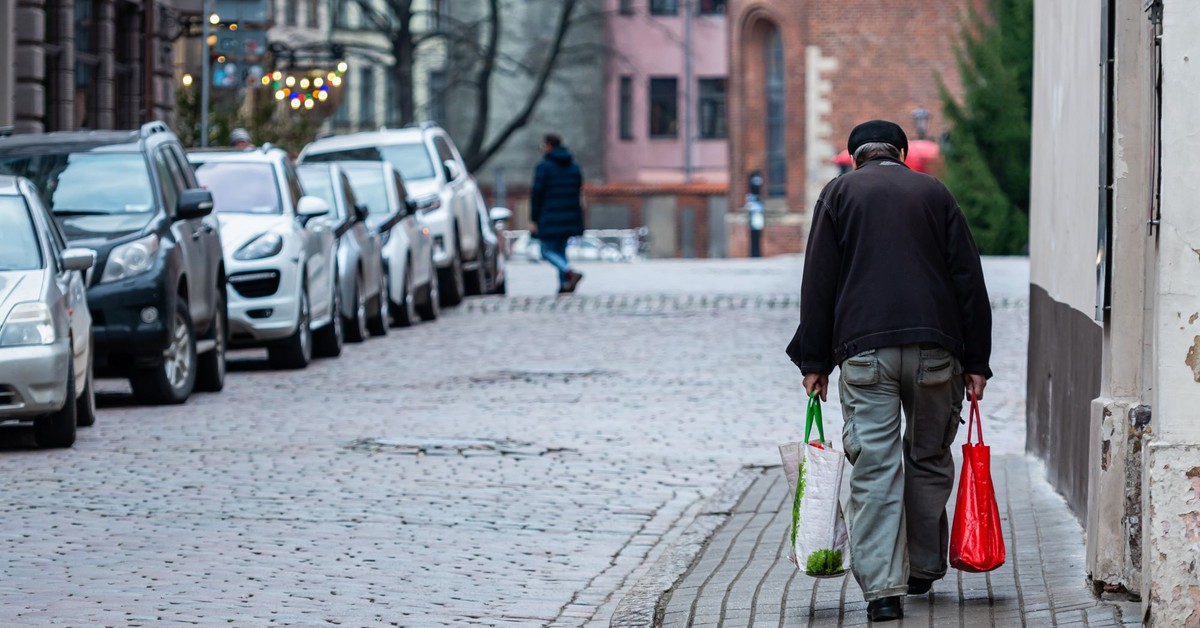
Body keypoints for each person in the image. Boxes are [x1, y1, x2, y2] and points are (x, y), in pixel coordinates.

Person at [785, 120, 992, 622]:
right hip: (936, 351)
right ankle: (921, 568)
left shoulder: (838, 195)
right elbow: (968, 278)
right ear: (901, 152)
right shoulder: (934, 193)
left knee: (876, 468)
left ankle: (883, 592)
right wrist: (977, 362)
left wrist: (814, 361)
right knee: (927, 455)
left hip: (864, 352)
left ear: (854, 156)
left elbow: (819, 282)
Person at [530, 133, 584, 294]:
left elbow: (537, 194)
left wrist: (534, 218)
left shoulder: (544, 167)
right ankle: (565, 285)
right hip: (570, 216)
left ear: (548, 145)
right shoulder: (574, 166)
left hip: (549, 216)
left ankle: (569, 272)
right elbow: (578, 192)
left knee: (545, 251)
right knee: (561, 251)